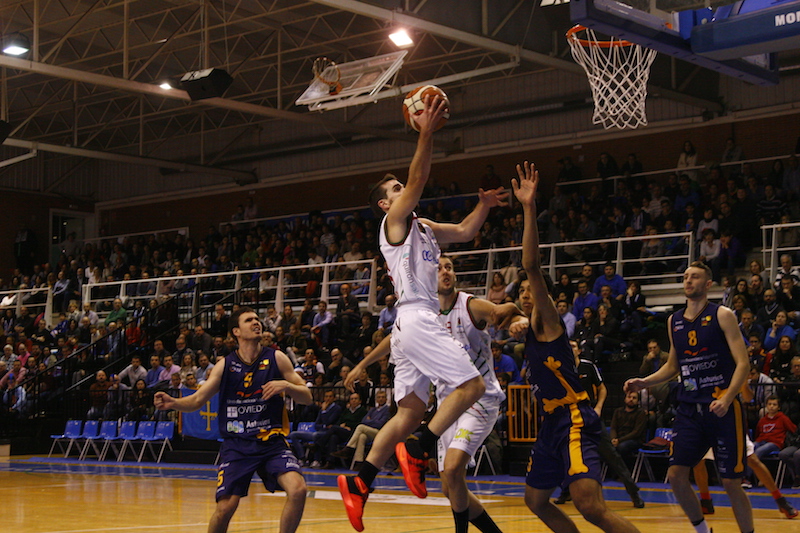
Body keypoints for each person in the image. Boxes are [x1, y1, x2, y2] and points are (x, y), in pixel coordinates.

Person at [338, 94, 507, 532]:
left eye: (399, 190)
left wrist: (485, 205)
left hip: (409, 325)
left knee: (409, 411)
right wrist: (426, 133)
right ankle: (419, 449)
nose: (402, 193)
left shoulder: (424, 228)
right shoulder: (393, 222)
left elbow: (467, 230)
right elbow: (418, 177)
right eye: (394, 191)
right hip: (416, 317)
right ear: (384, 204)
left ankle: (360, 484)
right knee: (470, 384)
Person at [513, 161, 640, 533]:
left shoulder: (549, 323)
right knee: (534, 500)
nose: (524, 296)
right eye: (520, 293)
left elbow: (532, 265)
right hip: (551, 423)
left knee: (591, 508)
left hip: (573, 421)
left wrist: (529, 208)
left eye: (528, 292)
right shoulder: (529, 333)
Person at [154, 307, 312, 533]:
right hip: (237, 446)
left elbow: (307, 397)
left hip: (271, 442)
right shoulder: (225, 365)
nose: (256, 322)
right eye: (249, 320)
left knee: (297, 489)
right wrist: (174, 403)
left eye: (257, 319)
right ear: (236, 331)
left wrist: (286, 385)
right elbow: (198, 399)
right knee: (226, 507)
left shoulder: (276, 358)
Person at [625, 261, 752, 533]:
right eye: (685, 277)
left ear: (708, 284)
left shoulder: (723, 315)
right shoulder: (674, 321)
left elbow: (743, 363)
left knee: (731, 482)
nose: (688, 281)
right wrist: (643, 382)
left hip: (722, 407)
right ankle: (703, 530)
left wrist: (729, 397)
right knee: (676, 476)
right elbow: (673, 366)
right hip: (690, 409)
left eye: (695, 277)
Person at [554, 341, 644, 508]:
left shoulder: (588, 366)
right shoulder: (560, 368)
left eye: (573, 346)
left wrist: (598, 408)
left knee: (611, 454)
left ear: (579, 350)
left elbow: (602, 389)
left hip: (590, 415)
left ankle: (634, 493)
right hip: (570, 417)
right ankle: (566, 491)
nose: (570, 348)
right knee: (567, 455)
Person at [331, 389, 392, 468]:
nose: (380, 399)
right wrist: (372, 421)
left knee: (360, 427)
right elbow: (363, 420)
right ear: (376, 399)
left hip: (380, 433)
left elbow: (380, 424)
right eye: (379, 397)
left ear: (386, 399)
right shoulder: (372, 409)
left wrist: (370, 421)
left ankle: (348, 448)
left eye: (383, 397)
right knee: (361, 436)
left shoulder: (387, 410)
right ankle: (359, 462)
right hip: (370, 431)